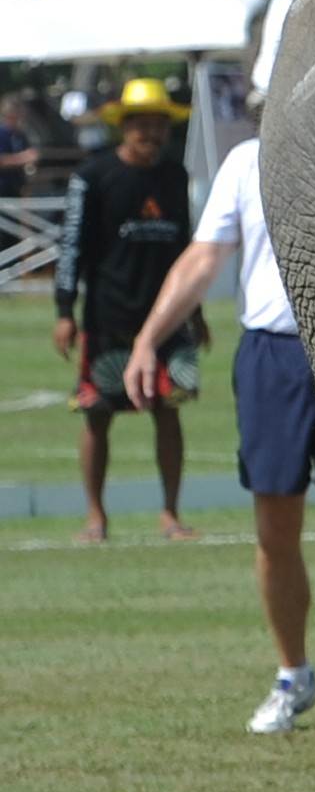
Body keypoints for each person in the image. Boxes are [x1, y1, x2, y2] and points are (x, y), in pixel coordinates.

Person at [123, 136, 315, 736]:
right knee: (275, 530)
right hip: (271, 357)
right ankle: (294, 674)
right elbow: (205, 256)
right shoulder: (247, 160)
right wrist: (147, 339)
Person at [50, 78, 199, 543]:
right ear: (124, 127)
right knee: (97, 414)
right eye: (143, 126)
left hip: (167, 317)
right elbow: (71, 246)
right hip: (107, 315)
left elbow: (188, 247)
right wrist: (64, 310)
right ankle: (96, 517)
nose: (152, 135)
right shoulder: (93, 177)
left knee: (169, 412)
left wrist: (195, 310)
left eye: (160, 126)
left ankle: (170, 514)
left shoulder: (175, 176)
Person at [0, 95, 37, 199]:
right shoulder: (1, 133)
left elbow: (30, 157)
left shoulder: (20, 135)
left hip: (16, 189)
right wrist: (24, 158)